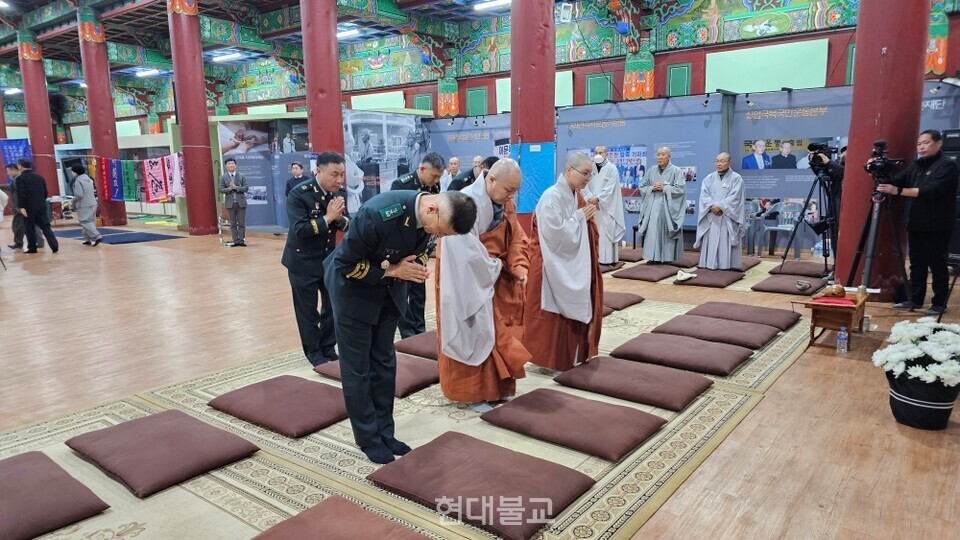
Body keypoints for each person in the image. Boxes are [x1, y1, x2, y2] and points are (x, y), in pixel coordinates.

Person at [324, 190, 478, 464]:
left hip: (388, 293)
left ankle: (386, 432)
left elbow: (419, 253)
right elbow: (345, 264)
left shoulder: (430, 220)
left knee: (384, 363)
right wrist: (394, 270)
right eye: (440, 231)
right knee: (358, 368)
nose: (438, 237)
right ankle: (369, 439)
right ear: (432, 209)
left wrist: (412, 267)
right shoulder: (378, 214)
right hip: (353, 292)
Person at [436, 158, 529, 409]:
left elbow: (516, 236)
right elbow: (463, 251)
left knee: (499, 332)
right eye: (508, 190)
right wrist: (495, 267)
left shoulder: (504, 200)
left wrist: (518, 264)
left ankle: (497, 389)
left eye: (515, 191)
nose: (511, 196)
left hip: (492, 277)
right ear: (491, 179)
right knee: (472, 330)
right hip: (467, 278)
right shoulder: (465, 202)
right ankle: (473, 393)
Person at [522, 152, 603, 372]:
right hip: (548, 262)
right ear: (569, 170)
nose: (588, 178)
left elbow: (586, 226)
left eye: (590, 174)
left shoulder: (577, 196)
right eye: (585, 173)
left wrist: (583, 219)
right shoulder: (551, 196)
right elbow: (554, 234)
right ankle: (547, 361)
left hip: (568, 260)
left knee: (570, 309)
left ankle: (569, 357)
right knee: (549, 314)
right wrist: (578, 218)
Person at [876, 129, 960, 315]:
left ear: (938, 144)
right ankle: (915, 299)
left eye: (926, 143)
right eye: (918, 144)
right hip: (915, 223)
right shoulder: (916, 165)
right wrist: (878, 170)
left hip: (938, 225)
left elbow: (931, 191)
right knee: (916, 264)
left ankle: (939, 303)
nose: (921, 147)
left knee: (937, 264)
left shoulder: (947, 166)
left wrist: (897, 191)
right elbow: (897, 181)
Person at [281, 152, 350, 366]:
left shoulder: (339, 193)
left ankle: (328, 348)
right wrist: (328, 217)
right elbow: (300, 230)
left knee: (333, 307)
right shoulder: (299, 194)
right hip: (302, 262)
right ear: (318, 171)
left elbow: (347, 224)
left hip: (328, 260)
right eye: (334, 174)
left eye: (342, 175)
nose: (339, 180)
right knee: (307, 311)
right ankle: (314, 353)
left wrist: (337, 219)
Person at [390, 152, 445, 338]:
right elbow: (396, 222)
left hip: (422, 246)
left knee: (418, 290)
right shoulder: (401, 185)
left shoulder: (433, 186)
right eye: (434, 176)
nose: (436, 180)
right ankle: (407, 333)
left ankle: (419, 329)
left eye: (439, 177)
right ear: (421, 169)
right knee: (402, 291)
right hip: (404, 249)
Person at [694, 153, 745, 270]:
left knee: (724, 241)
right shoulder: (709, 178)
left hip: (727, 216)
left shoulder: (736, 178)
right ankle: (708, 263)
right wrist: (712, 205)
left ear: (729, 162)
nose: (719, 164)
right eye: (717, 161)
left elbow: (735, 197)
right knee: (711, 240)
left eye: (722, 161)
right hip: (712, 215)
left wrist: (721, 207)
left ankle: (727, 265)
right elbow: (704, 195)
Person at [637, 147, 686, 263]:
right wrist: (651, 188)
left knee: (666, 231)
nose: (660, 157)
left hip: (668, 208)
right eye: (658, 154)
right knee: (653, 232)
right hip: (653, 206)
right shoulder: (651, 170)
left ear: (669, 156)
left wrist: (665, 188)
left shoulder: (676, 171)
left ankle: (668, 258)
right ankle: (653, 257)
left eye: (663, 154)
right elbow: (642, 186)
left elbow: (681, 189)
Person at [583, 146, 625, 265]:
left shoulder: (612, 169)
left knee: (607, 232)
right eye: (596, 152)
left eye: (600, 152)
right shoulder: (590, 168)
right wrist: (589, 197)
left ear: (606, 154)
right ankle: (594, 259)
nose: (598, 155)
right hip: (592, 205)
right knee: (593, 231)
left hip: (607, 207)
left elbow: (611, 188)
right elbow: (584, 183)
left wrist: (598, 199)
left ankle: (608, 260)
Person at [14, 158, 59, 254]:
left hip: (28, 208)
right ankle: (54, 246)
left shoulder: (20, 179)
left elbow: (21, 194)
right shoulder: (39, 177)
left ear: (20, 166)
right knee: (46, 226)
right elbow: (45, 192)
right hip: (41, 206)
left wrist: (21, 207)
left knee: (29, 227)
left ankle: (32, 247)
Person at [3, 163, 45, 251]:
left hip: (20, 207)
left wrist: (19, 207)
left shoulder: (18, 179)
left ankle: (19, 243)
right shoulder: (17, 179)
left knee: (19, 226)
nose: (8, 173)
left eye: (8, 171)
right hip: (25, 206)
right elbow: (11, 187)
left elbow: (19, 194)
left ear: (14, 170)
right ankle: (38, 242)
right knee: (29, 225)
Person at [68, 164, 103, 246]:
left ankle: (97, 236)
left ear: (75, 172)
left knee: (85, 221)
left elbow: (79, 195)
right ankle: (87, 239)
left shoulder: (78, 181)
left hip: (84, 204)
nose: (72, 173)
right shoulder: (89, 179)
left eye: (72, 171)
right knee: (90, 221)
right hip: (93, 203)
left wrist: (72, 201)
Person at [219, 158, 248, 247]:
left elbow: (246, 188)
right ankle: (235, 241)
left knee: (241, 223)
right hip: (230, 203)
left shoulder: (241, 176)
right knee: (233, 223)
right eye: (229, 164)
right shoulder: (223, 177)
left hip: (241, 203)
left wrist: (236, 187)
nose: (231, 165)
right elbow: (221, 190)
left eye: (232, 163)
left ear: (236, 165)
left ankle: (241, 241)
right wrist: (230, 189)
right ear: (225, 166)